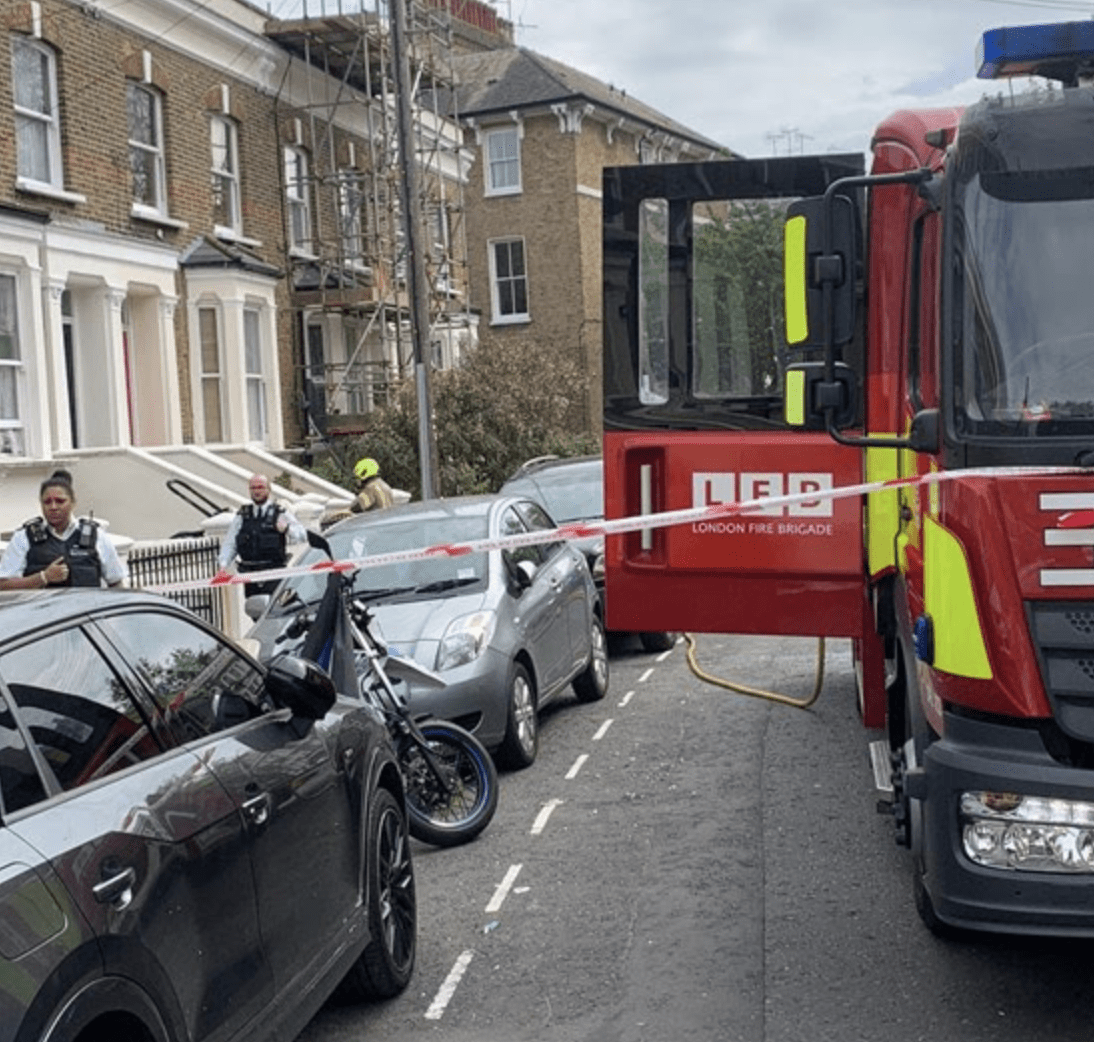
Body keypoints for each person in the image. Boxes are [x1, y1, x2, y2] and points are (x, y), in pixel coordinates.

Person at [0, 469, 127, 589]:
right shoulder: (23, 538)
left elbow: (116, 583)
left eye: (60, 501)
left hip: (87, 610)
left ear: (73, 503)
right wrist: (43, 577)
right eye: (47, 502)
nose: (53, 507)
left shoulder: (97, 537)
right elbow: (3, 585)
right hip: (43, 611)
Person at [215, 473, 306, 595]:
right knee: (254, 610)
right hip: (249, 576)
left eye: (260, 487)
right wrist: (223, 566)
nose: (256, 491)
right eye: (253, 488)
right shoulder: (242, 515)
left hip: (274, 574)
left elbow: (302, 535)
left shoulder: (279, 512)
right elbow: (230, 543)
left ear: (268, 490)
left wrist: (287, 528)